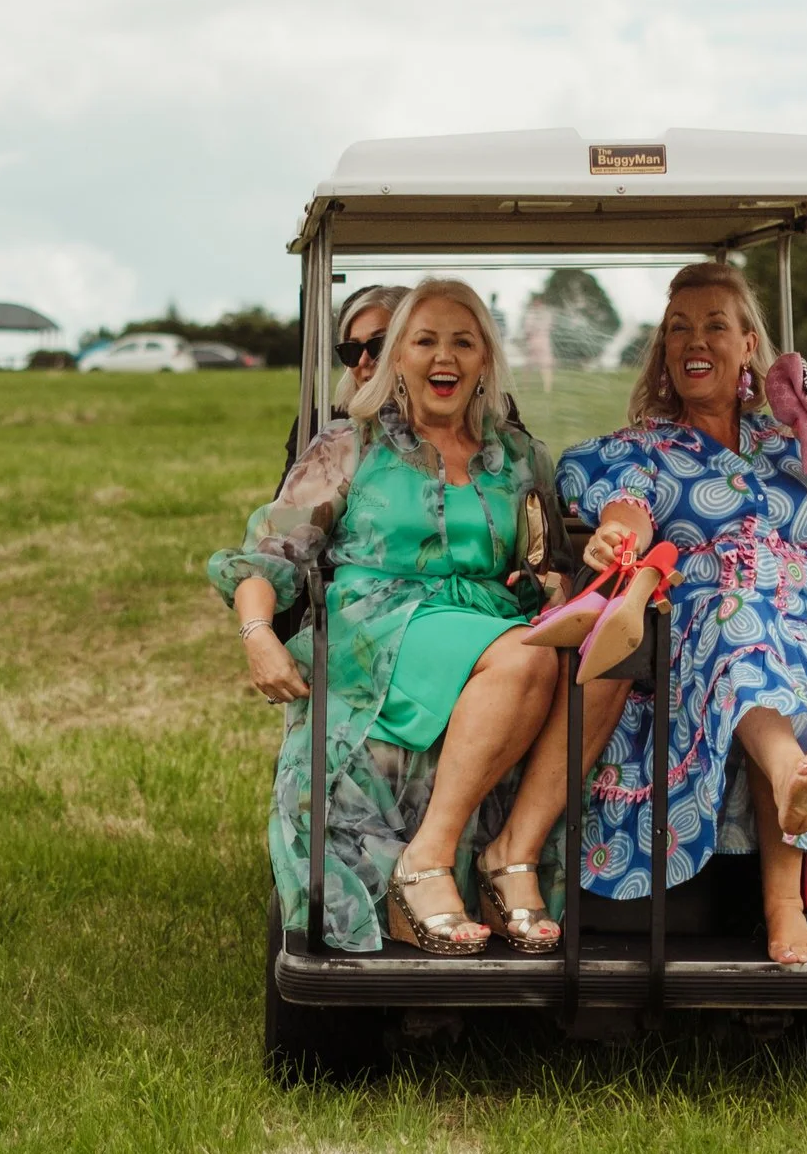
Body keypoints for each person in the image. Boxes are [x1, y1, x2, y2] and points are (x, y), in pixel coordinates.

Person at [492, 261, 807, 966]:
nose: (697, 340)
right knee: (735, 617)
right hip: (697, 636)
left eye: (716, 325)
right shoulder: (642, 451)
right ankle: (787, 808)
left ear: (750, 345)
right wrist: (616, 535)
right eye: (679, 327)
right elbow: (628, 514)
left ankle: (787, 816)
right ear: (664, 349)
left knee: (766, 639)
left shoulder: (791, 447)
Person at [210, 279, 576, 956]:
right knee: (526, 655)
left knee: (561, 653)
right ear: (397, 357)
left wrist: (552, 582)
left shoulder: (520, 457)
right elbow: (267, 557)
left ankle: (483, 863)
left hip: (488, 624)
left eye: (463, 341)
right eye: (425, 340)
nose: (445, 357)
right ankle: (428, 859)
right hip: (380, 628)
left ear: (486, 360)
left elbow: (544, 560)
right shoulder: (349, 445)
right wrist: (258, 634)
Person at [281, 284, 406, 478]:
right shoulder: (324, 428)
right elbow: (287, 506)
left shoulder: (449, 431)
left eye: (379, 345)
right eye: (351, 350)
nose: (363, 361)